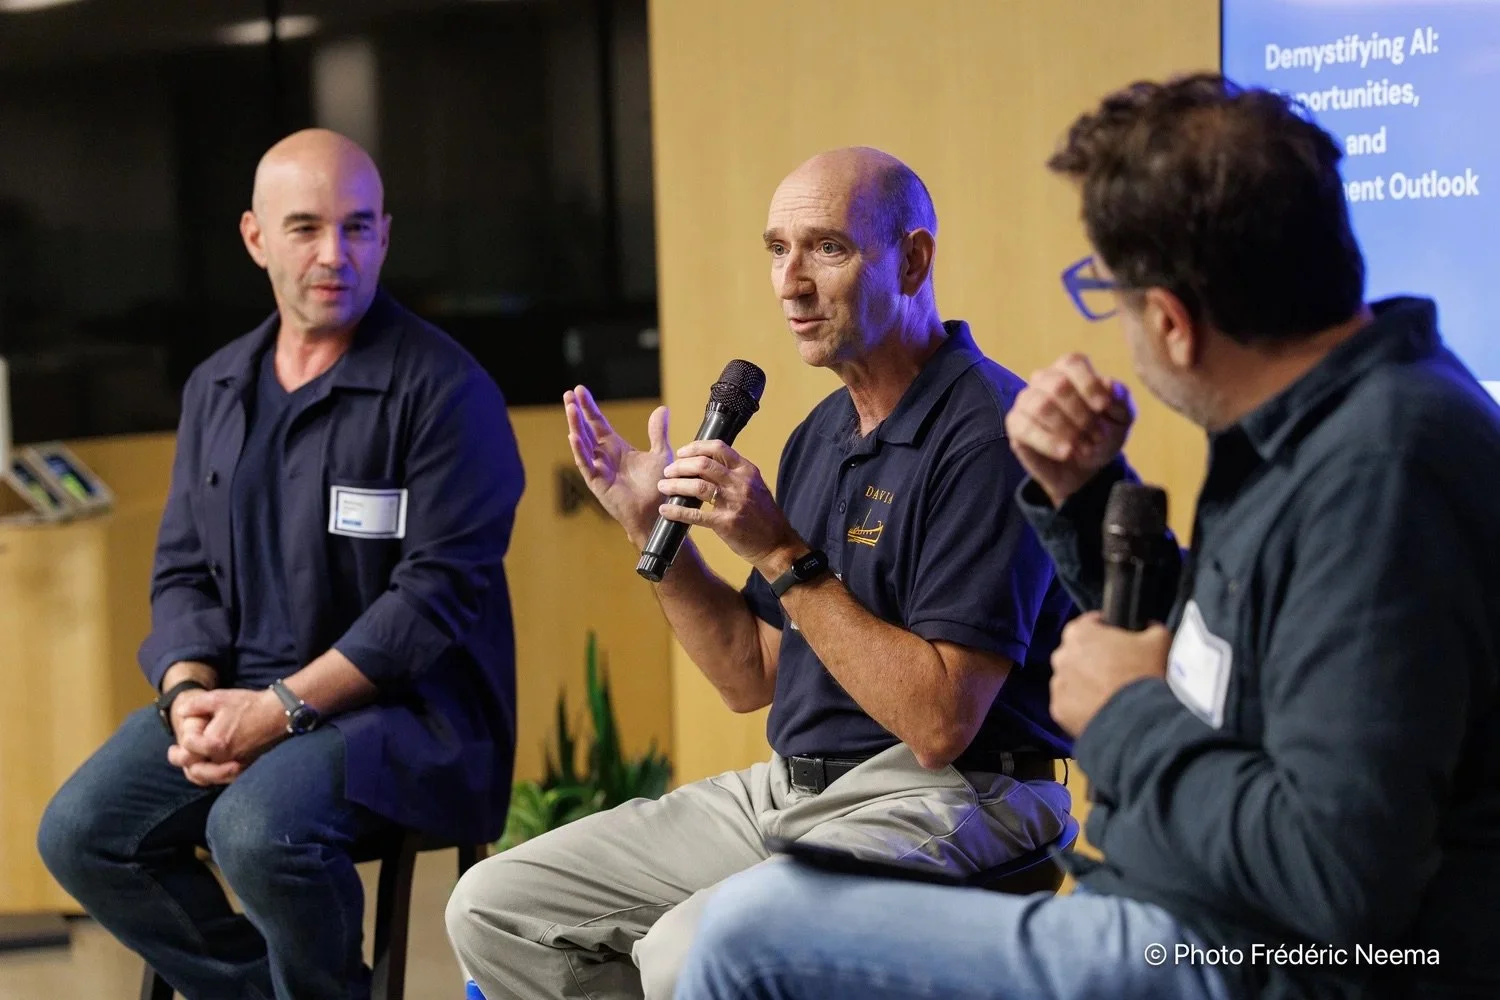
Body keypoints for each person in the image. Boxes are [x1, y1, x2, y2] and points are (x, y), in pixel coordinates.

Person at [672, 73, 1500, 1000]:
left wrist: (1125, 713)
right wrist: (1085, 494)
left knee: (747, 936)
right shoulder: (1316, 428)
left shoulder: (1382, 471)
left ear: (1175, 323)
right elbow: (1236, 666)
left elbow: (1337, 881)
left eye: (1109, 293)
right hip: (1169, 906)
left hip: (1251, 959)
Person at [446, 146, 1075, 1000]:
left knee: (686, 951)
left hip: (958, 792)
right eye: (777, 248)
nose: (791, 283)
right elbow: (754, 674)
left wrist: (779, 549)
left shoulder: (989, 432)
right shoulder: (818, 433)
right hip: (795, 787)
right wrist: (652, 530)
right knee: (492, 904)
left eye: (827, 248)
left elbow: (939, 723)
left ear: (915, 259)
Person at [37, 129, 525, 1000]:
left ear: (384, 235)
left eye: (358, 227)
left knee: (259, 830)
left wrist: (282, 709)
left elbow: (431, 603)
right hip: (241, 692)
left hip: (412, 720)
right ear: (256, 238)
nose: (334, 254)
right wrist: (188, 694)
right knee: (81, 830)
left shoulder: (448, 393)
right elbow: (182, 572)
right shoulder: (216, 388)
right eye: (305, 228)